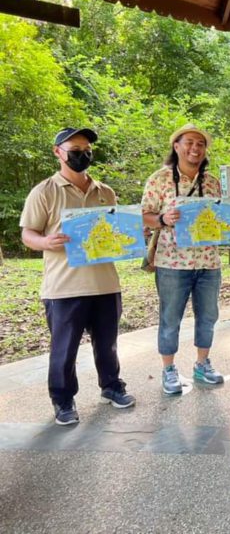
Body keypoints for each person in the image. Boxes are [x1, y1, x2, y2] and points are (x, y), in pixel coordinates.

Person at [20, 127, 135, 425]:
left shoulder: (105, 191)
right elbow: (28, 234)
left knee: (108, 343)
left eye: (86, 149)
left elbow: (114, 232)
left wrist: (133, 235)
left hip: (105, 284)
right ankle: (62, 399)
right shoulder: (43, 191)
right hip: (63, 287)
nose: (82, 154)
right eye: (74, 149)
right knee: (64, 349)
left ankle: (111, 386)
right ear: (57, 152)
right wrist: (45, 242)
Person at [142, 123, 230, 394]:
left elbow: (220, 218)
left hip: (208, 261)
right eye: (190, 142)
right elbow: (144, 215)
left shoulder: (212, 182)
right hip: (172, 262)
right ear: (177, 146)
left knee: (208, 316)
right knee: (170, 318)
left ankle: (202, 364)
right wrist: (162, 218)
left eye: (201, 144)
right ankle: (168, 369)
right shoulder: (159, 179)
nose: (195, 148)